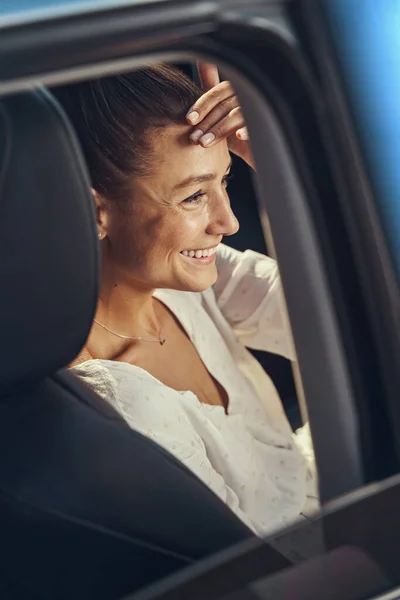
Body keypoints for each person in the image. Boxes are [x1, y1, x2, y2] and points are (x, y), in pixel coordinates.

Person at [59, 62, 318, 537]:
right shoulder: (118, 401)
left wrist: (280, 161)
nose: (228, 222)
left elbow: (355, 312)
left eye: (225, 181)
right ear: (96, 211)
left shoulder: (187, 285)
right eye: (194, 196)